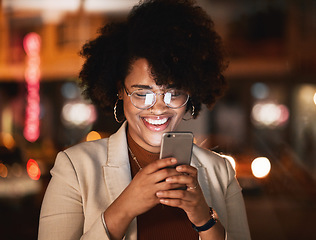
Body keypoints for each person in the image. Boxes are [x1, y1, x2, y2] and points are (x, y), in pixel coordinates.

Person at [38, 0, 251, 239]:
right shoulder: (75, 168)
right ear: (120, 90)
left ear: (190, 93)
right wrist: (125, 207)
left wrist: (204, 219)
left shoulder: (220, 171)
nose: (159, 107)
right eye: (142, 94)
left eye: (173, 93)